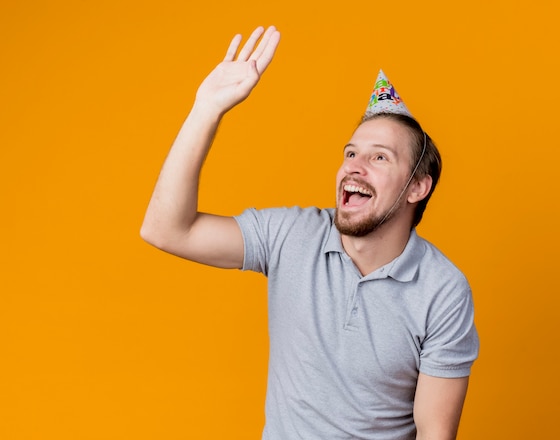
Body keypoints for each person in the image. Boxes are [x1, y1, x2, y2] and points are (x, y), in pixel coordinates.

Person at [141, 25, 479, 440]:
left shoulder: (442, 290)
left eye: (379, 157)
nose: (355, 166)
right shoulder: (291, 235)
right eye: (351, 153)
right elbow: (167, 230)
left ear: (416, 187)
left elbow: (435, 434)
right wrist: (206, 110)